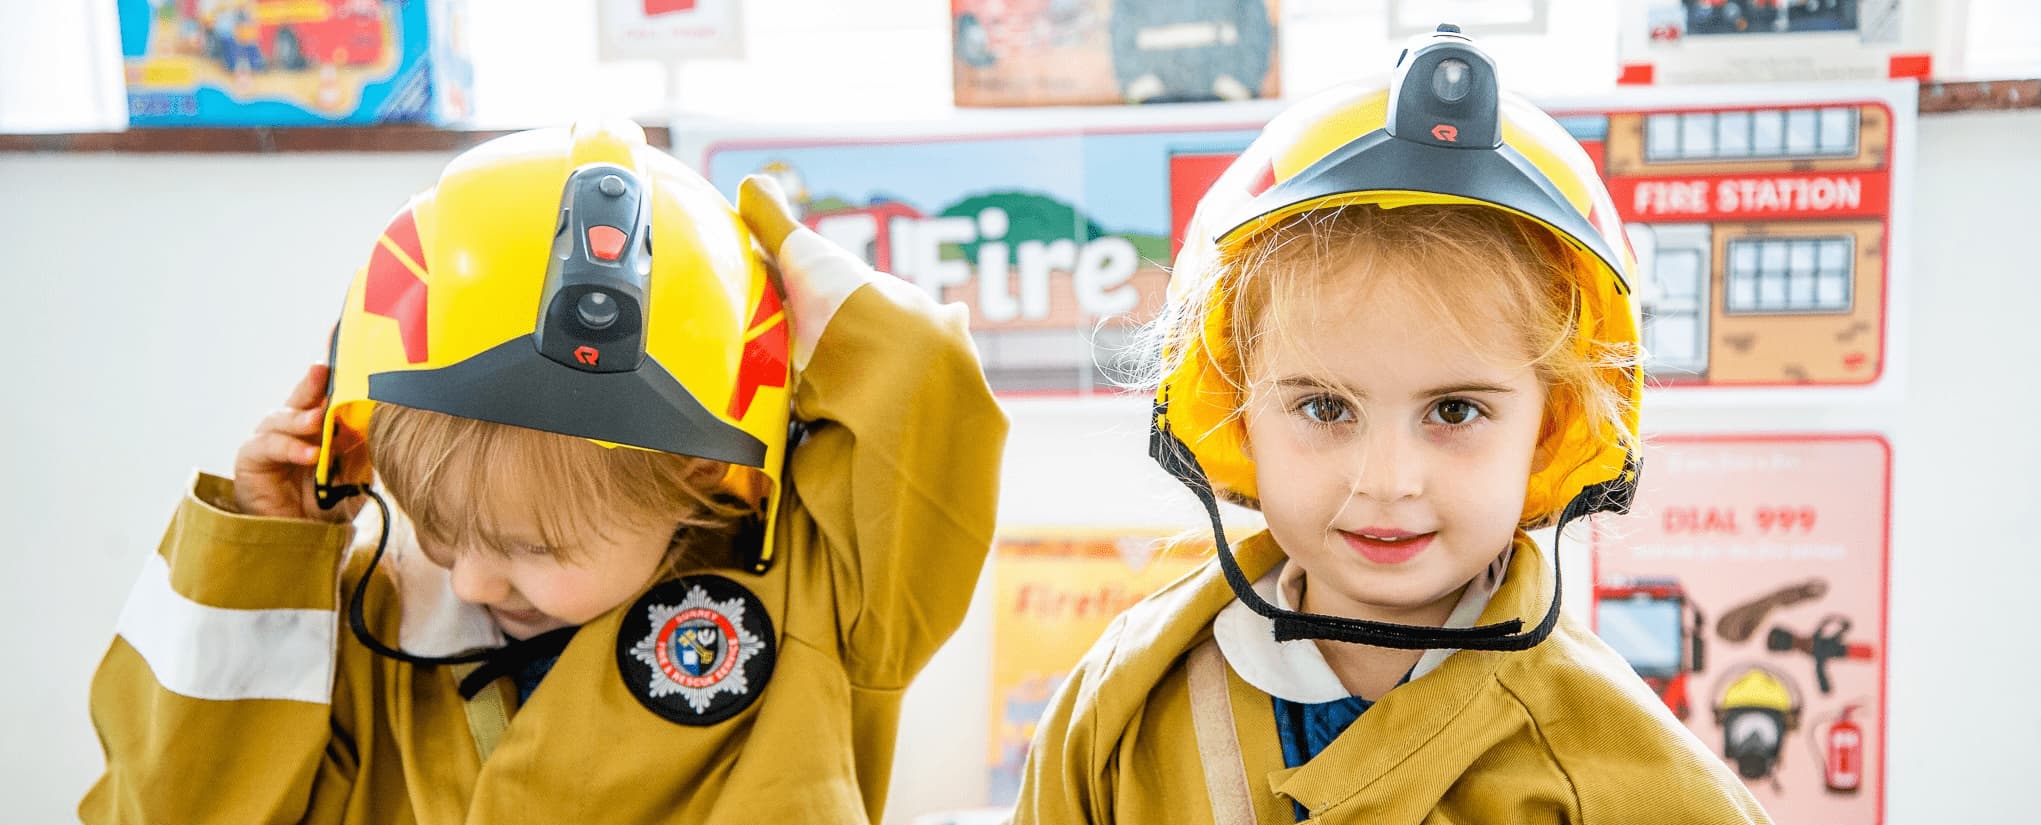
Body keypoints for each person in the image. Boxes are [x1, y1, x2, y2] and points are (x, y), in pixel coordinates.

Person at [81, 120, 1008, 824]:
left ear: (696, 473)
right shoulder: (365, 617)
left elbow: (925, 396)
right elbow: (173, 805)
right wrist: (265, 557)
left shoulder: (826, 599)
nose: (472, 580)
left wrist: (777, 261)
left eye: (534, 546)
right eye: (439, 528)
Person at [1013, 27, 1769, 824]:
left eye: (1453, 410)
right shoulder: (1120, 711)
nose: (1385, 480)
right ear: (1234, 409)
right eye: (1324, 406)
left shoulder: (1630, 777)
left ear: (1551, 427)